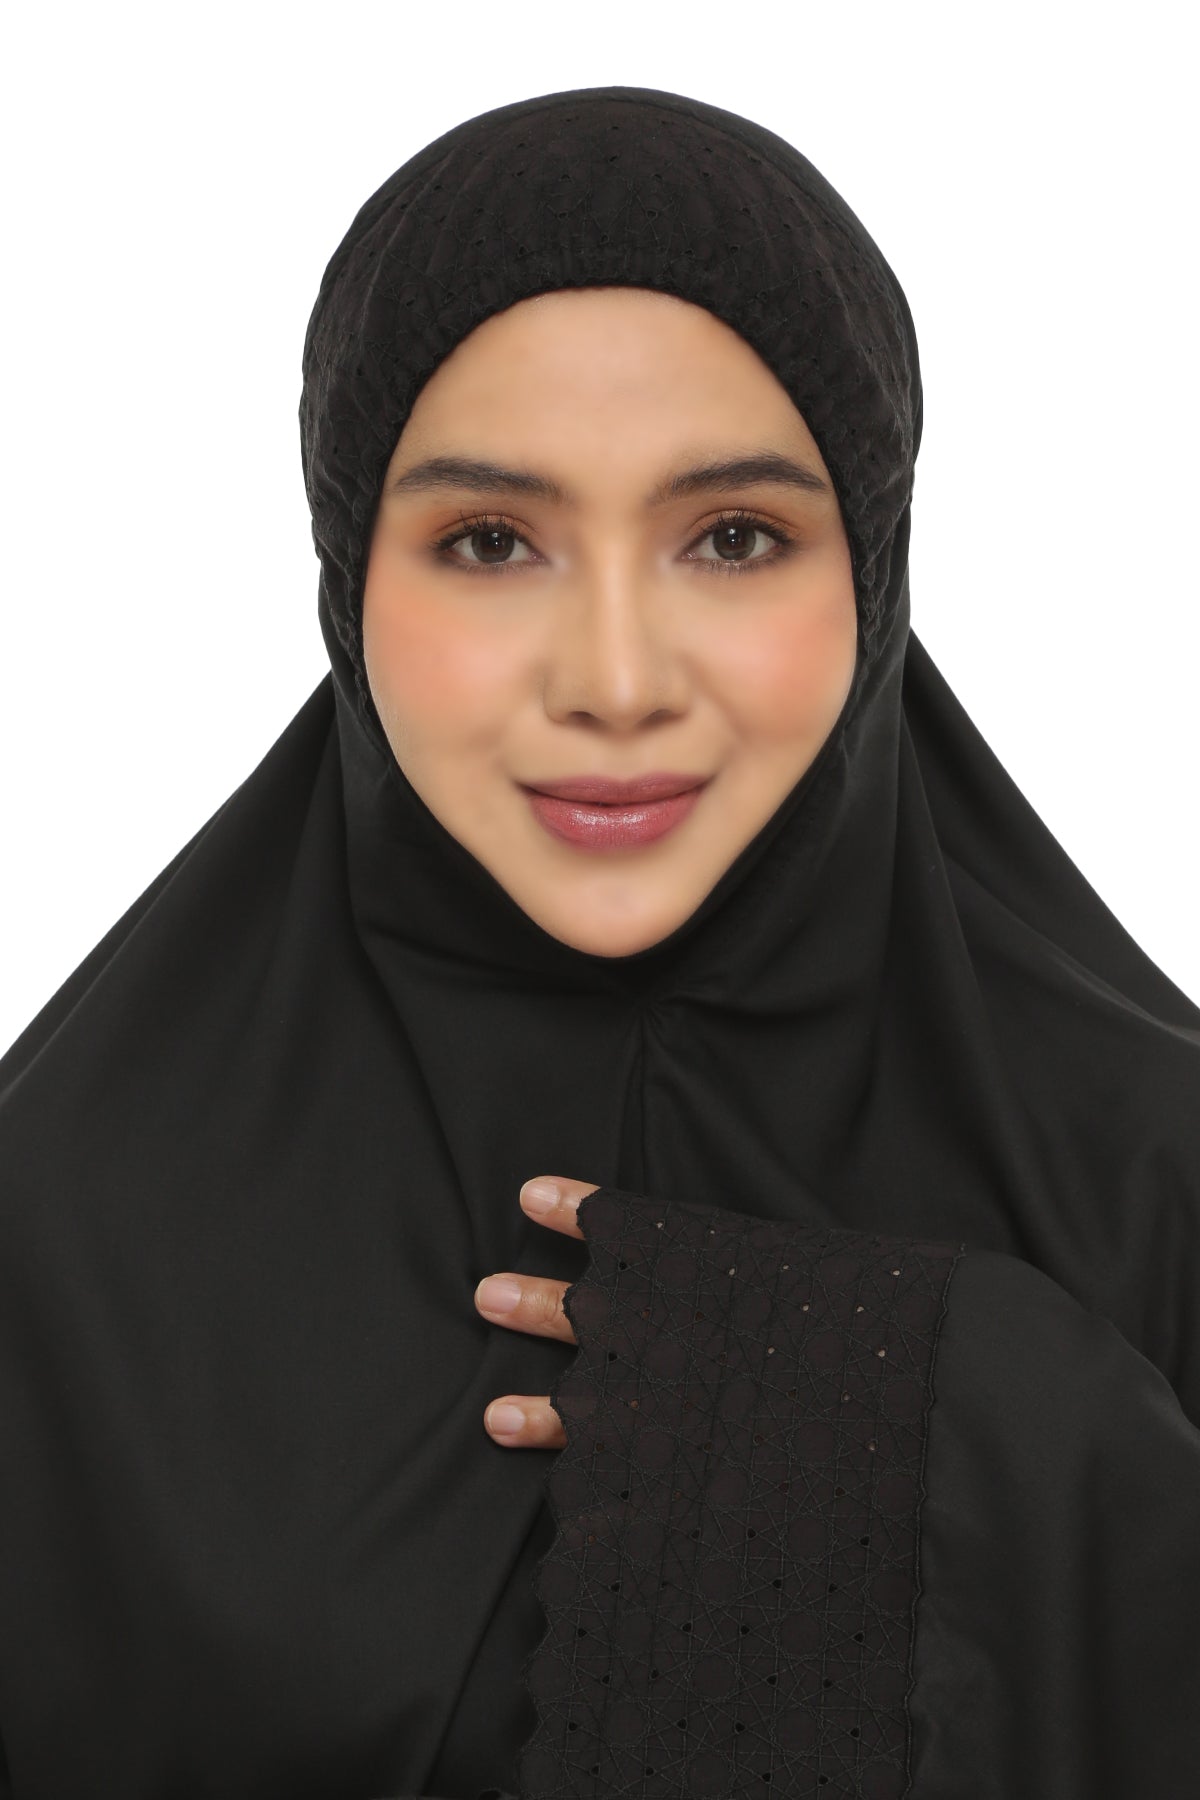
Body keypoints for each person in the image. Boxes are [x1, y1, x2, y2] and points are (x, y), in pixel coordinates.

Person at [0, 82, 1197, 1800]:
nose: (617, 680)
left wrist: (956, 1406)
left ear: (874, 568)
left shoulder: (1155, 1179)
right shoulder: (62, 1239)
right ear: (347, 576)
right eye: (490, 543)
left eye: (735, 538)